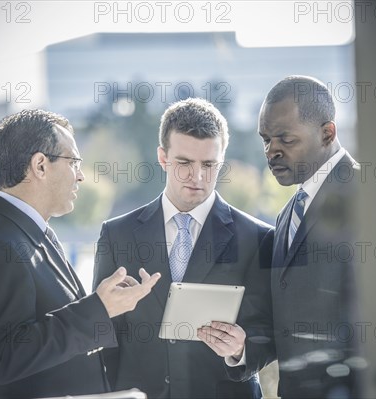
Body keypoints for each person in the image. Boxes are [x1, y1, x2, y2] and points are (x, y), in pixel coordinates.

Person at [0, 109, 160, 398]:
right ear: (40, 166)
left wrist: (108, 306)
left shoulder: (26, 230)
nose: (81, 175)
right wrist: (99, 308)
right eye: (74, 162)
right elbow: (3, 357)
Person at [93, 98, 273, 398]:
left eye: (209, 164)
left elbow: (270, 330)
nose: (198, 177)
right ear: (163, 157)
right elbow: (105, 332)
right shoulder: (116, 235)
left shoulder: (258, 237)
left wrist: (242, 348)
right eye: (185, 163)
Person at [203, 76, 360, 398]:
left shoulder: (367, 197)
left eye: (285, 140)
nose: (271, 151)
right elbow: (285, 320)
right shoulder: (287, 214)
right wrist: (240, 348)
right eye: (266, 140)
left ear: (327, 133)